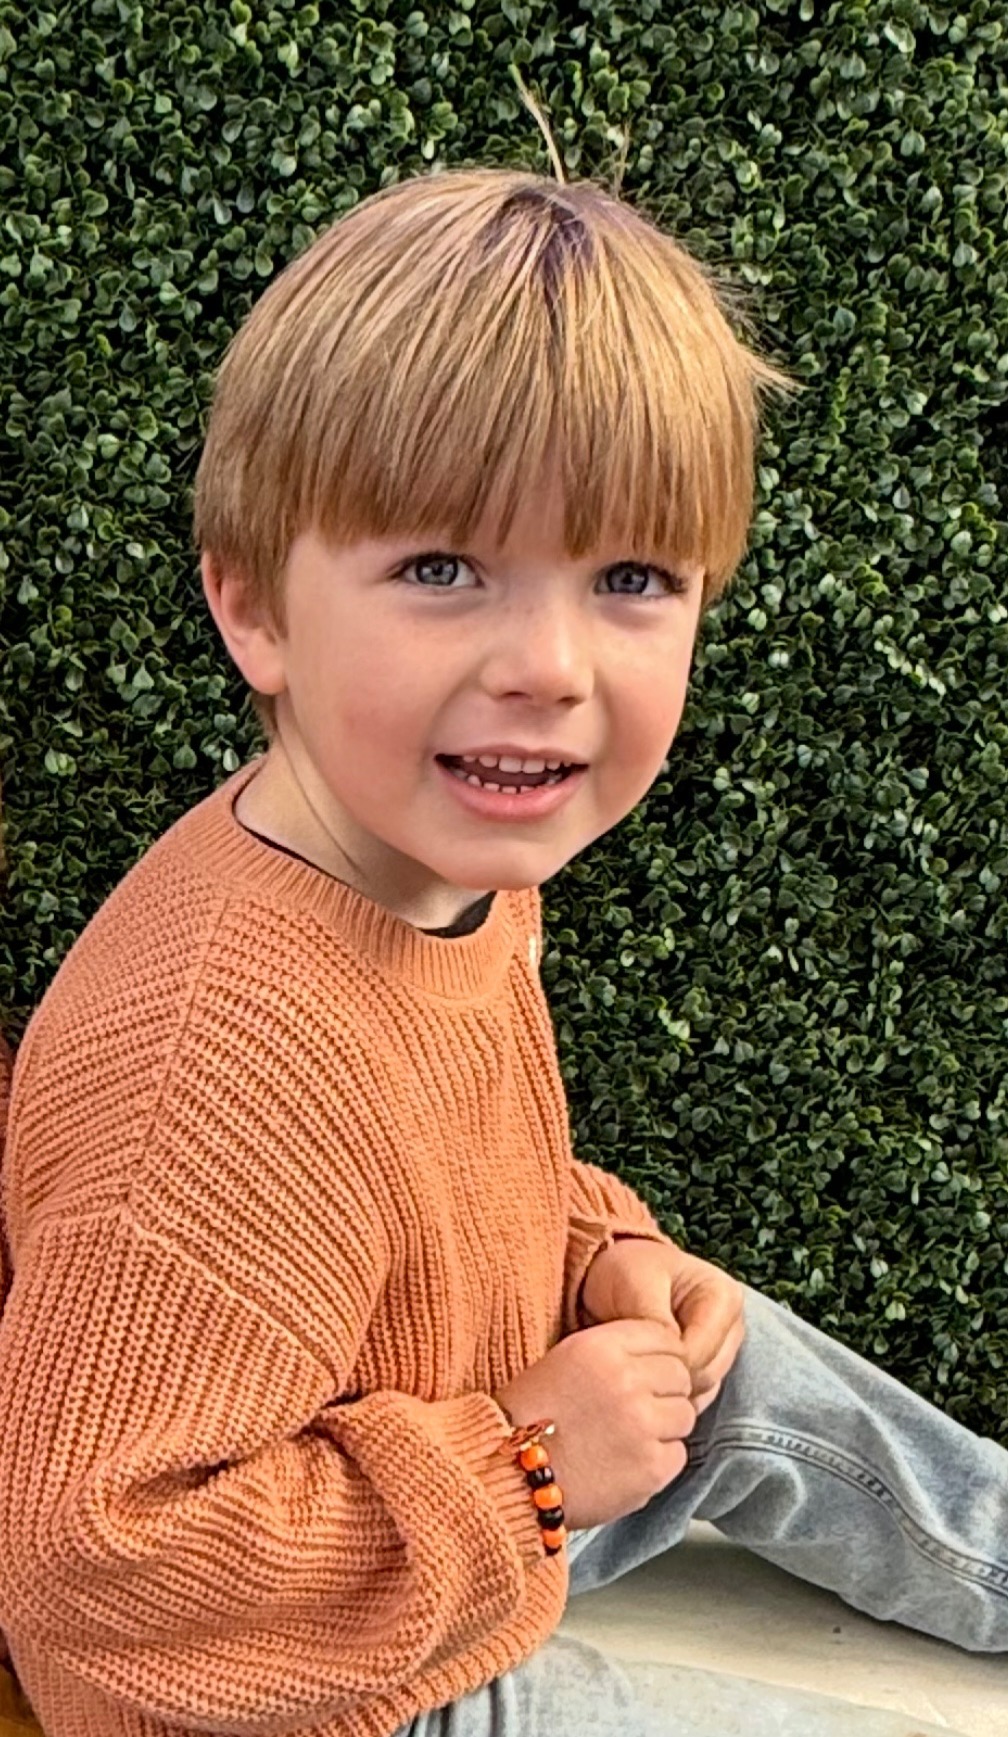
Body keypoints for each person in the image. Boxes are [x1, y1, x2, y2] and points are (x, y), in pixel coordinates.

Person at [0, 166, 1004, 1737]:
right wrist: (529, 1465)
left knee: (728, 1348)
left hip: (445, 1479)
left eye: (631, 580)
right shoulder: (223, 1069)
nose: (547, 666)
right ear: (253, 608)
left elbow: (444, 1173)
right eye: (441, 569)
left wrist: (593, 1250)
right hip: (292, 1691)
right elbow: (84, 1580)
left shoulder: (443, 846)